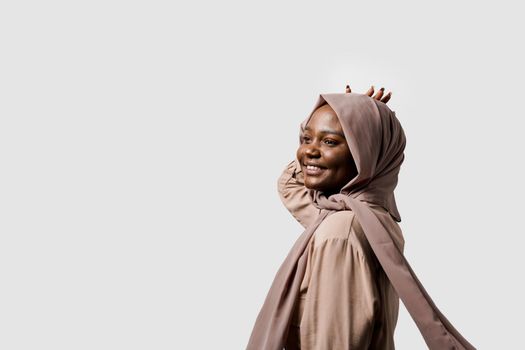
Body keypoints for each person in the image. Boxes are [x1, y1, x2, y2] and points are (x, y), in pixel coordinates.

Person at [246, 86, 475, 350]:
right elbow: (290, 185)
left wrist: (356, 125)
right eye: (306, 139)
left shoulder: (340, 232)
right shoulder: (368, 217)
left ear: (363, 153)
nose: (308, 151)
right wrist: (349, 118)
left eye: (330, 141)